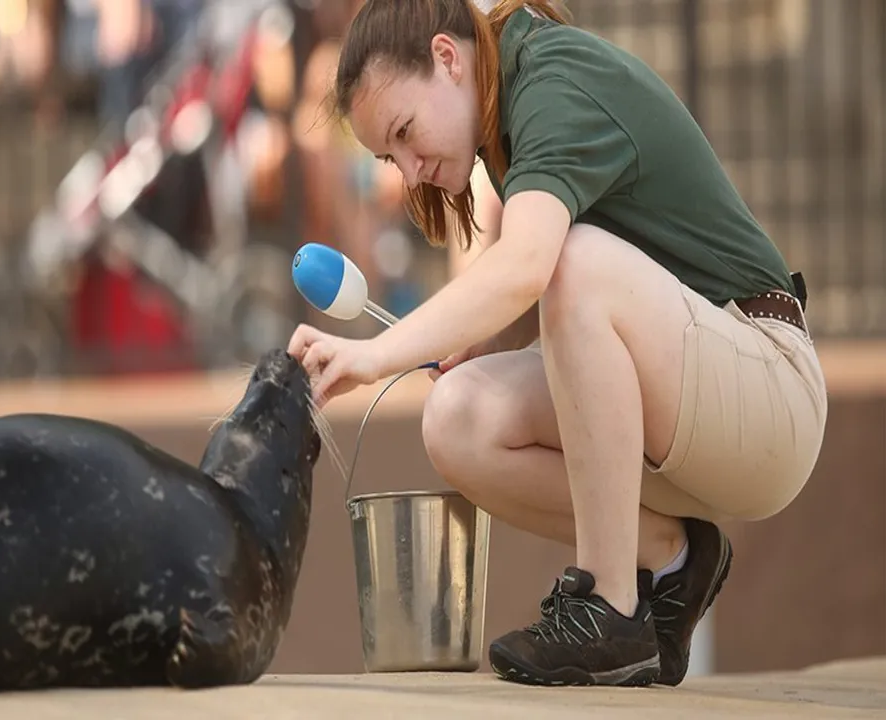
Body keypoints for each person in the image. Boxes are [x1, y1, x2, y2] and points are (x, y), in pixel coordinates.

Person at [287, 0, 827, 689]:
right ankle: (670, 555)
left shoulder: (552, 79)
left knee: (572, 261)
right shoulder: (505, 112)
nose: (409, 171)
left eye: (404, 133)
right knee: (457, 416)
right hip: (688, 407)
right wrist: (485, 341)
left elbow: (534, 266)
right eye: (387, 157)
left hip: (768, 394)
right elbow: (559, 280)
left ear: (448, 58)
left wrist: (371, 356)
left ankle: (609, 604)